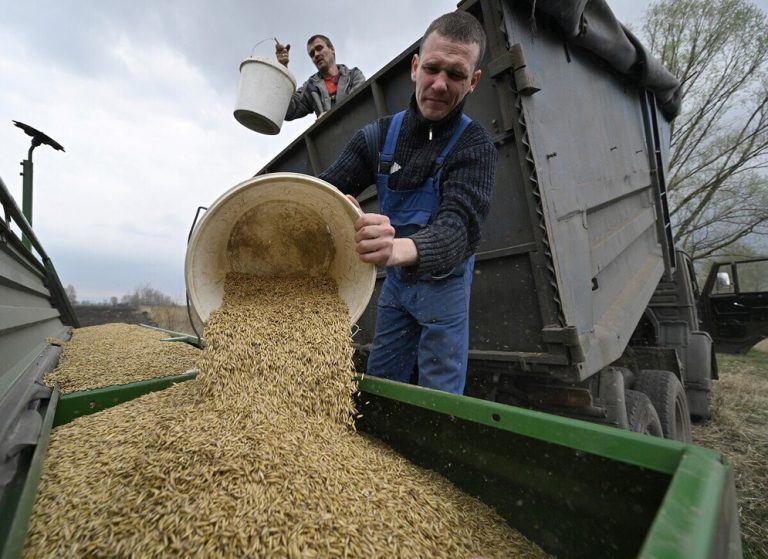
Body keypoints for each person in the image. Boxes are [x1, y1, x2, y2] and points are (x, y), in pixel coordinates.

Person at [318, 11, 497, 395]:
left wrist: (395, 247)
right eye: (432, 68)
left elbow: (458, 231)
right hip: (397, 290)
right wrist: (335, 205)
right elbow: (319, 192)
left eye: (456, 74)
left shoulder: (475, 146)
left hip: (446, 291)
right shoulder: (379, 137)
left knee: (439, 403)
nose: (439, 84)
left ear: (474, 82)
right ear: (415, 67)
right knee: (383, 388)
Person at [275, 35, 366, 121]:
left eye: (319, 48)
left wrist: (329, 115)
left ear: (332, 49)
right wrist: (282, 68)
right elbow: (288, 111)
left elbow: (359, 102)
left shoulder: (354, 75)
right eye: (312, 54)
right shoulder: (310, 86)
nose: (316, 54)